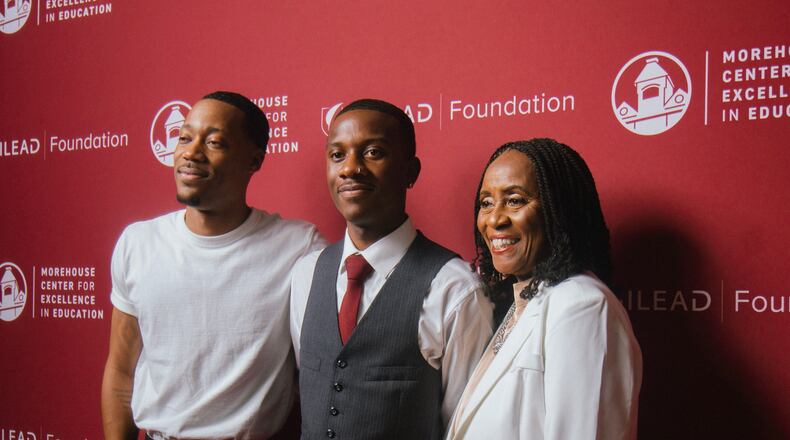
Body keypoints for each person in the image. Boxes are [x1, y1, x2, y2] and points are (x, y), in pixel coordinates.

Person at [101, 91, 326, 440]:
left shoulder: (298, 247)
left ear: (254, 160)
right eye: (184, 138)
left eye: (215, 142)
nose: (191, 153)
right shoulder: (138, 243)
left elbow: (326, 367)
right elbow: (120, 372)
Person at [290, 99, 493, 439]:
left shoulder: (454, 288)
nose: (350, 168)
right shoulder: (305, 275)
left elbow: (466, 428)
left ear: (410, 172)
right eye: (337, 155)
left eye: (373, 152)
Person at [447, 138, 642, 439]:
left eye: (514, 200)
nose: (495, 218)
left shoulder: (583, 305)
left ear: (558, 210)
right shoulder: (526, 299)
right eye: (486, 203)